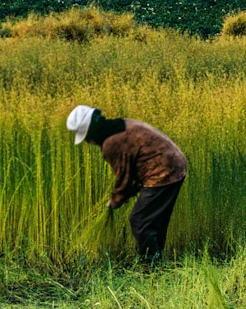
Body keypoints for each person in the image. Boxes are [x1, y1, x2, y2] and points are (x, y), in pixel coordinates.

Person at [67, 104, 187, 262]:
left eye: (87, 137)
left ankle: (150, 266)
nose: (89, 142)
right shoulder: (121, 124)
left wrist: (114, 201)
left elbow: (125, 178)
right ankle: (156, 260)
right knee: (155, 221)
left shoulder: (112, 142)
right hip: (175, 164)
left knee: (139, 219)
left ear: (92, 131)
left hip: (163, 172)